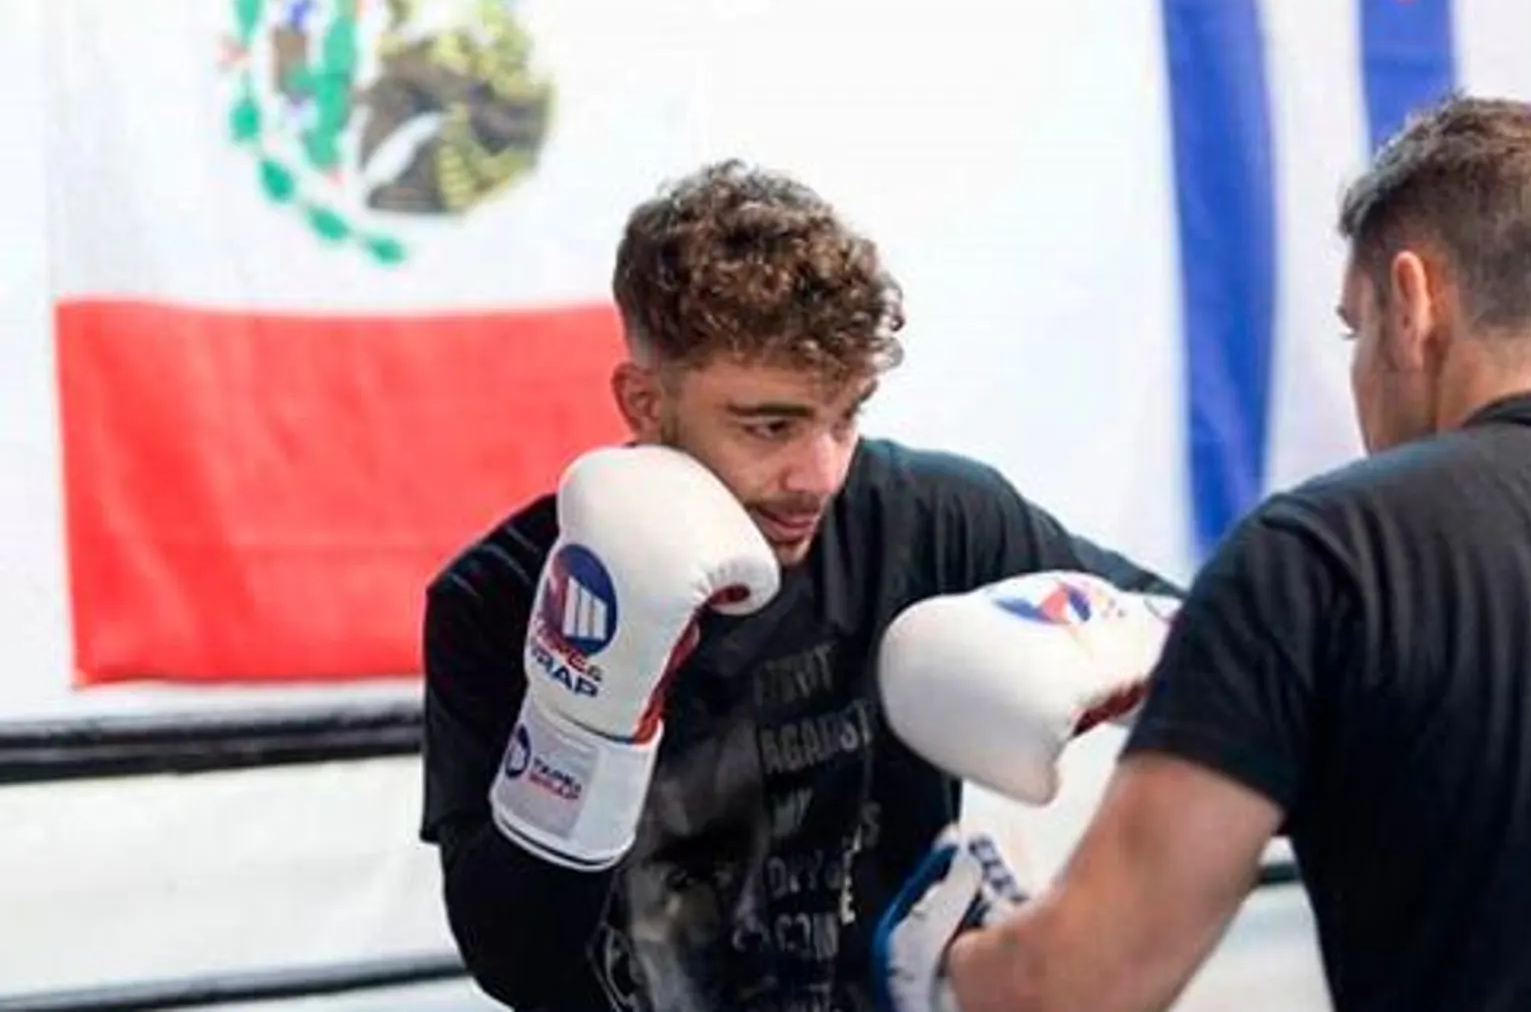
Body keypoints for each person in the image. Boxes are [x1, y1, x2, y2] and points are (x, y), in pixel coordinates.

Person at [876, 94, 1531, 1012]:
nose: (1361, 371)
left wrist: (944, 962)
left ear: (1412, 303)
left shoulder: (1322, 558)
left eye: (1352, 330)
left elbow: (1082, 984)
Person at [417, 160, 1185, 1012]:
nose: (817, 474)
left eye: (847, 414)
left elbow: (1217, 651)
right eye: (771, 425)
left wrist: (1101, 664)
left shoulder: (932, 519)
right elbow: (513, 959)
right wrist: (588, 731)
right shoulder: (502, 595)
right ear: (643, 401)